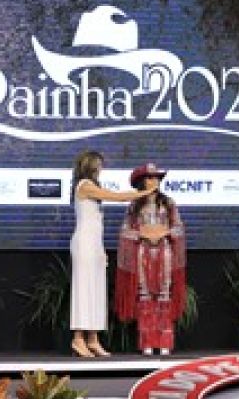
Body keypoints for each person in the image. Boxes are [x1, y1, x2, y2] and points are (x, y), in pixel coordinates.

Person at [68, 150, 141, 359]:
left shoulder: (91, 186)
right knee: (84, 289)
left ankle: (93, 339)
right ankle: (78, 338)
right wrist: (142, 193)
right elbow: (116, 197)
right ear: (90, 166)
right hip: (84, 244)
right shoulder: (85, 185)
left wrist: (101, 249)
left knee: (96, 290)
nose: (101, 168)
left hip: (94, 244)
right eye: (98, 165)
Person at [114, 163, 187, 356]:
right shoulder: (134, 206)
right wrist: (142, 234)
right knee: (145, 294)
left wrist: (165, 232)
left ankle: (164, 342)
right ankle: (147, 341)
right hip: (142, 253)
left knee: (164, 293)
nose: (154, 181)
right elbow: (124, 230)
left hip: (164, 252)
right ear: (141, 182)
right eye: (150, 178)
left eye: (156, 178)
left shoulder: (168, 203)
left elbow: (179, 228)